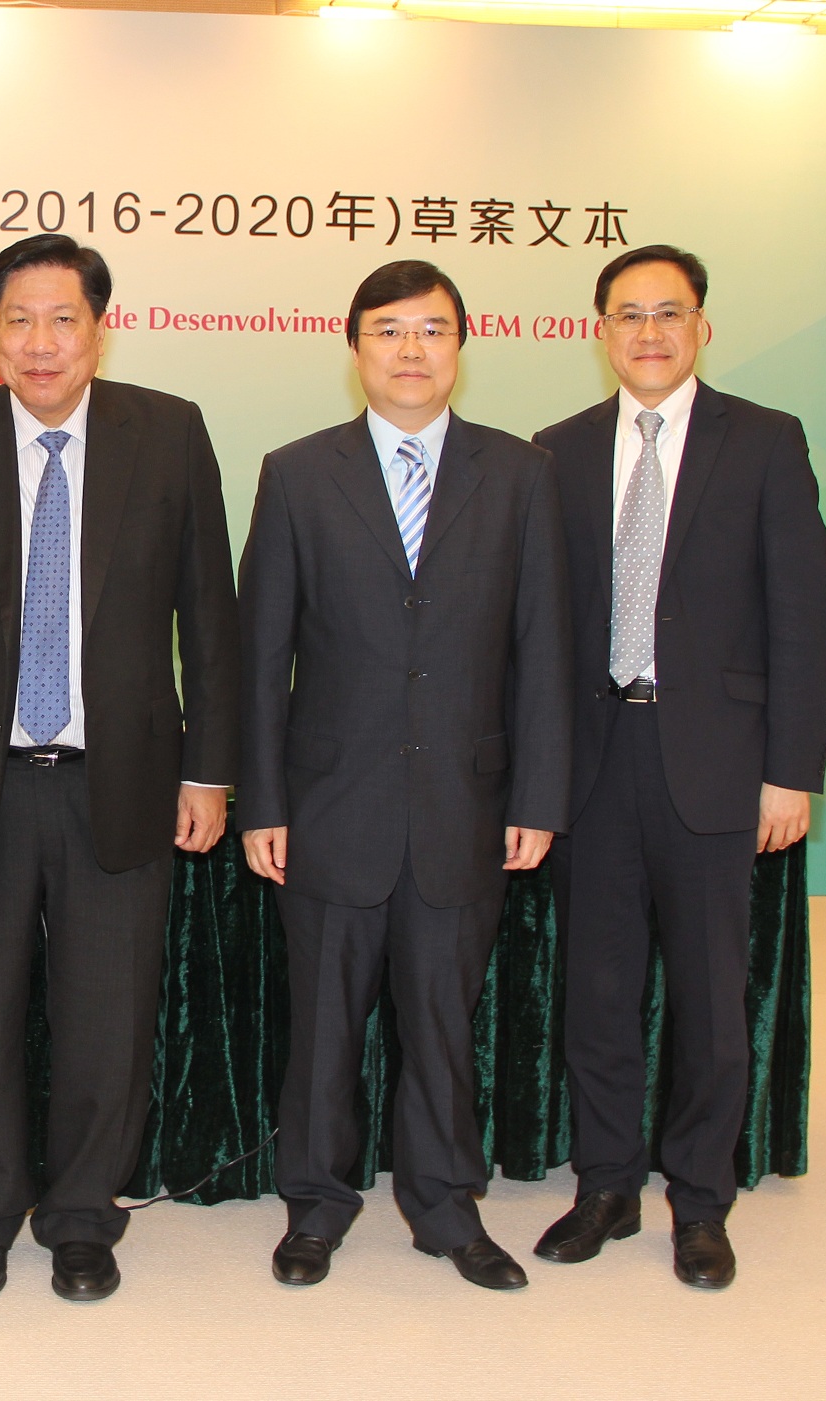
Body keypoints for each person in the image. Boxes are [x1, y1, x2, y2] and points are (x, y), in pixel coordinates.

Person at [0, 233, 240, 1303]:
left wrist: (209, 772)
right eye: (18, 320)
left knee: (106, 1021)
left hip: (117, 779)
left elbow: (210, 618)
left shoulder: (168, 434)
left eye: (62, 319)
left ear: (98, 329)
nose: (40, 342)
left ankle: (83, 1217)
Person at [236, 260, 569, 1293]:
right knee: (324, 1028)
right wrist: (262, 801)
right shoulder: (298, 472)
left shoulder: (520, 473)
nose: (410, 349)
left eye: (431, 329)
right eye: (387, 330)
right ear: (355, 348)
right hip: (330, 804)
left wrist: (538, 795)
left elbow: (543, 648)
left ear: (461, 344)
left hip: (465, 804)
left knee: (441, 1023)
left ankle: (444, 1206)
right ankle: (315, 1206)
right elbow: (260, 656)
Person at [529, 246, 826, 1290]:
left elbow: (803, 616)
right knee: (597, 990)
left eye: (670, 312)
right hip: (593, 759)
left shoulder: (765, 440)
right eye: (628, 314)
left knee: (710, 996)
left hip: (717, 760)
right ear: (599, 332)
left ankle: (700, 1200)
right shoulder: (558, 450)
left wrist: (790, 771)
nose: (649, 332)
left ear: (702, 326)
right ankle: (606, 1185)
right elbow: (539, 627)